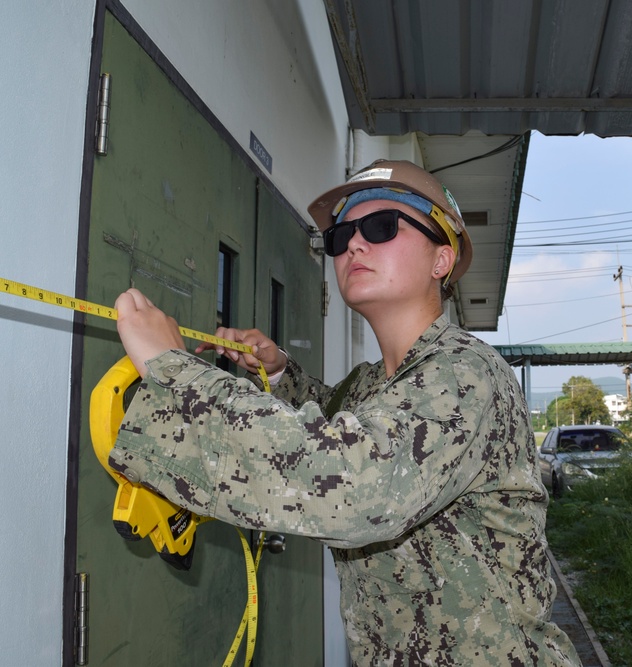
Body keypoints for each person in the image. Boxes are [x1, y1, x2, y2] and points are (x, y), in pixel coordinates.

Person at [110, 159, 582, 666]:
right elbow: (338, 425)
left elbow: (354, 483)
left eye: (381, 226)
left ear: (441, 260)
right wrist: (277, 372)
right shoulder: (373, 385)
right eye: (341, 236)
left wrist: (172, 370)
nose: (354, 243)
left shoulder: (468, 373)